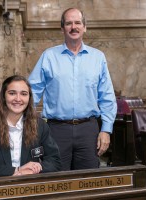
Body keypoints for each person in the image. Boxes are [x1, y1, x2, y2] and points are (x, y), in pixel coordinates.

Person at [28, 8, 117, 171]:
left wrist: (106, 130)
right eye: (68, 23)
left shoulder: (98, 57)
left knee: (88, 181)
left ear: (85, 27)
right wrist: (28, 124)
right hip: (56, 130)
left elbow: (107, 96)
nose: (73, 27)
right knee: (57, 182)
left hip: (88, 130)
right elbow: (31, 92)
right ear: (62, 28)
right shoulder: (48, 56)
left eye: (77, 23)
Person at [0, 75, 61, 178]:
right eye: (12, 93)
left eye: (23, 94)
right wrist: (17, 171)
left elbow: (55, 162)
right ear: (4, 97)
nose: (18, 99)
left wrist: (36, 168)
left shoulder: (40, 126)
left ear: (29, 98)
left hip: (31, 185)